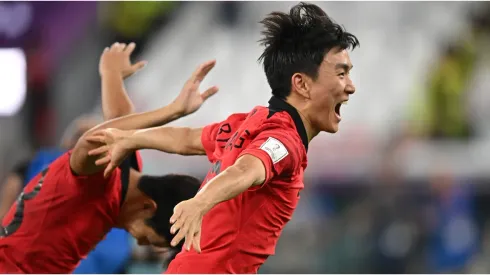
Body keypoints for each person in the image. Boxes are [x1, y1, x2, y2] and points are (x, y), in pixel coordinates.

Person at [86, 2, 359, 273]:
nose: (350, 86)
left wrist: (131, 138)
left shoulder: (247, 124)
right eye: (341, 73)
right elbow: (247, 169)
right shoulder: (285, 141)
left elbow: (185, 139)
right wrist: (200, 203)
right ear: (301, 84)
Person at [0, 42, 218, 273]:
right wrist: (171, 111)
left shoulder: (125, 163)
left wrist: (111, 74)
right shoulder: (102, 177)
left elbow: (119, 120)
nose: (143, 242)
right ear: (147, 207)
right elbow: (91, 141)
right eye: (152, 239)